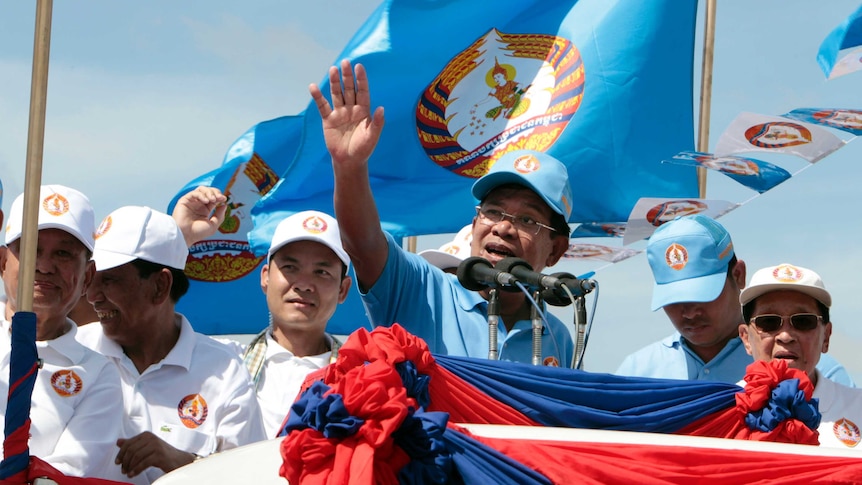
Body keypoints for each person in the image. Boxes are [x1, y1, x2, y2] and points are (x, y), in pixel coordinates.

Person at [310, 59, 574, 366]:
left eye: (527, 220)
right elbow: (363, 243)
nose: (502, 228)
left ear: (555, 250)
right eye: (493, 212)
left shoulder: (557, 339)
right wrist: (349, 167)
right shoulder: (423, 290)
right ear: (475, 223)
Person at [76, 205, 266, 484]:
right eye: (91, 279)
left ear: (160, 286)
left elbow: (254, 477)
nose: (92, 296)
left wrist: (184, 464)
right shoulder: (73, 353)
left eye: (110, 280)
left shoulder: (225, 373)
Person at [172, 187, 354, 437]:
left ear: (343, 290)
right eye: (290, 267)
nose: (303, 284)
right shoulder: (222, 364)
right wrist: (179, 238)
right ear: (266, 278)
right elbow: (141, 326)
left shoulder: (360, 376)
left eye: (322, 272)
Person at [615, 214, 854, 386]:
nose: (688, 312)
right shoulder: (635, 373)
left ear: (738, 275)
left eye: (702, 295)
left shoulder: (818, 373)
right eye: (674, 300)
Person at [0, 185, 124, 479]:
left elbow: (65, 473)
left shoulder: (98, 375)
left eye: (64, 254)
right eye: (31, 250)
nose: (43, 266)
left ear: (88, 276)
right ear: (3, 262)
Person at [739, 263, 862, 450]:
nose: (785, 336)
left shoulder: (857, 407)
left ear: (826, 337)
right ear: (746, 338)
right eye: (769, 322)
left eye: (803, 321)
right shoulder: (720, 408)